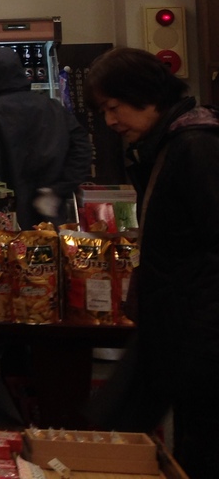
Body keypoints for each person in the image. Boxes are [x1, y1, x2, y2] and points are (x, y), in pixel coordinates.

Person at [82, 47, 219, 479]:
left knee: (202, 446)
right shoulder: (167, 146)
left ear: (145, 94)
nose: (110, 121)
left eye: (113, 107)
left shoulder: (195, 146)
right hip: (182, 330)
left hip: (201, 334)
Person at [0, 47, 92, 228]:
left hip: (4, 223)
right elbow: (82, 149)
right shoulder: (53, 107)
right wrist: (58, 189)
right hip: (51, 216)